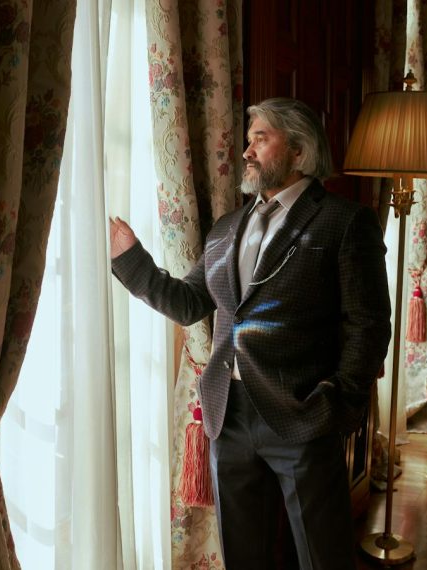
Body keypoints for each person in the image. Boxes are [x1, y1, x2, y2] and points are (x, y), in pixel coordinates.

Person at [110, 97, 391, 569]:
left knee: (325, 557)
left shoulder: (345, 222)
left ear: (299, 152)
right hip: (228, 415)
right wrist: (131, 260)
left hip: (303, 413)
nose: (246, 151)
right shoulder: (227, 228)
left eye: (260, 139)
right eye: (248, 140)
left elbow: (369, 325)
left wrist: (338, 401)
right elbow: (189, 303)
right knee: (244, 557)